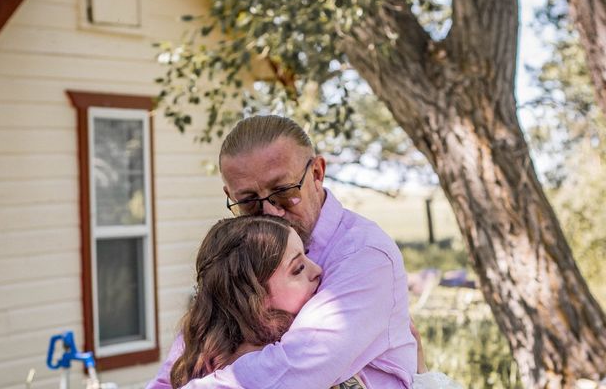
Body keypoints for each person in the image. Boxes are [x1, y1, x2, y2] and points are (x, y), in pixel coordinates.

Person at [148, 115, 417, 388]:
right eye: (249, 202)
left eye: (283, 192)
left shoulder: (363, 255)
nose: (270, 212)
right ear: (230, 194)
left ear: (317, 174)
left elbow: (295, 368)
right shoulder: (240, 254)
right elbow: (176, 370)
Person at [170, 215, 461, 389]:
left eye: (307, 256)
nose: (318, 269)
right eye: (298, 268)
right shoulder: (258, 368)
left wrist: (418, 371)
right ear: (253, 299)